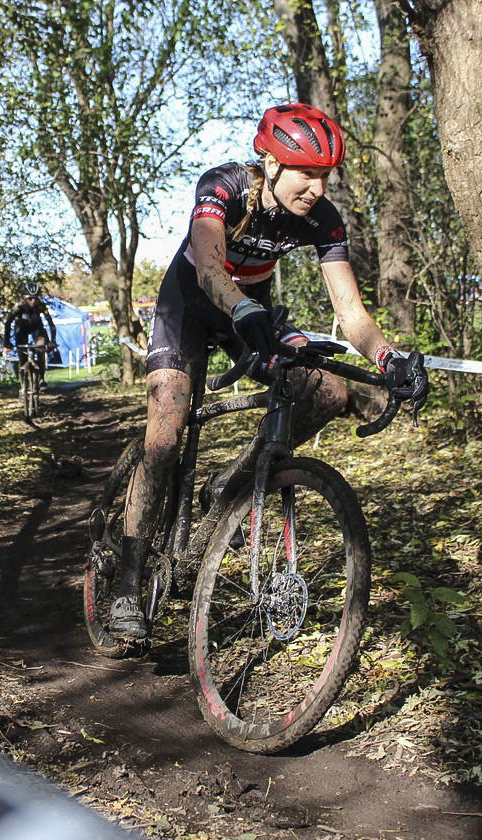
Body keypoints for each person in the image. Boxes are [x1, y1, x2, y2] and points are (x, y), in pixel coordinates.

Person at [109, 103, 430, 642]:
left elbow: (350, 311)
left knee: (326, 391)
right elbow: (210, 268)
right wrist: (243, 309)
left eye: (325, 175)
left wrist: (387, 358)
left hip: (248, 312)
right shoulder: (226, 187)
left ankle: (230, 485)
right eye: (307, 173)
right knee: (165, 436)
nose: (317, 188)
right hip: (190, 305)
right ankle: (128, 575)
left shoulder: (322, 218)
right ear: (272, 163)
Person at [3, 283, 58, 385]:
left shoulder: (40, 306)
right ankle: (23, 382)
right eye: (30, 299)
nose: (33, 301)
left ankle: (41, 378)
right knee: (22, 355)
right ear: (24, 298)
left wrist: (52, 340)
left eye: (36, 298)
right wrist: (6, 343)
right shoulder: (19, 307)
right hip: (22, 329)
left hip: (36, 328)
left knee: (40, 348)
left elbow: (51, 324)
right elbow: (7, 323)